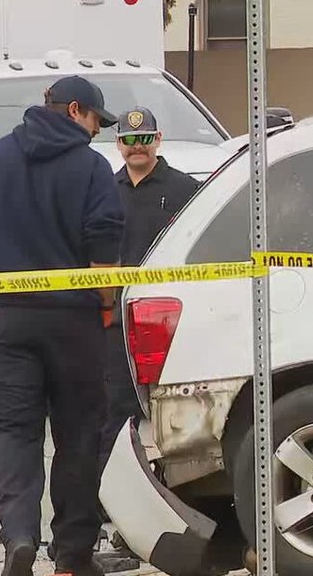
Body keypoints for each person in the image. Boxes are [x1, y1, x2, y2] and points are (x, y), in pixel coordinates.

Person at [0, 76, 125, 576]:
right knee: (79, 436)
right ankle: (71, 555)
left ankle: (20, 537)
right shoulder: (91, 168)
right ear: (74, 110)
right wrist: (105, 308)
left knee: (12, 434)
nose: (96, 133)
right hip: (76, 323)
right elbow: (103, 252)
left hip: (5, 321)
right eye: (95, 120)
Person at [100, 107, 202, 466]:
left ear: (158, 140)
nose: (137, 147)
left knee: (175, 414)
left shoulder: (186, 191)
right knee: (114, 414)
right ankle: (109, 496)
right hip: (118, 323)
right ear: (119, 145)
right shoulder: (105, 192)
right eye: (129, 140)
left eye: (144, 139)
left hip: (169, 322)